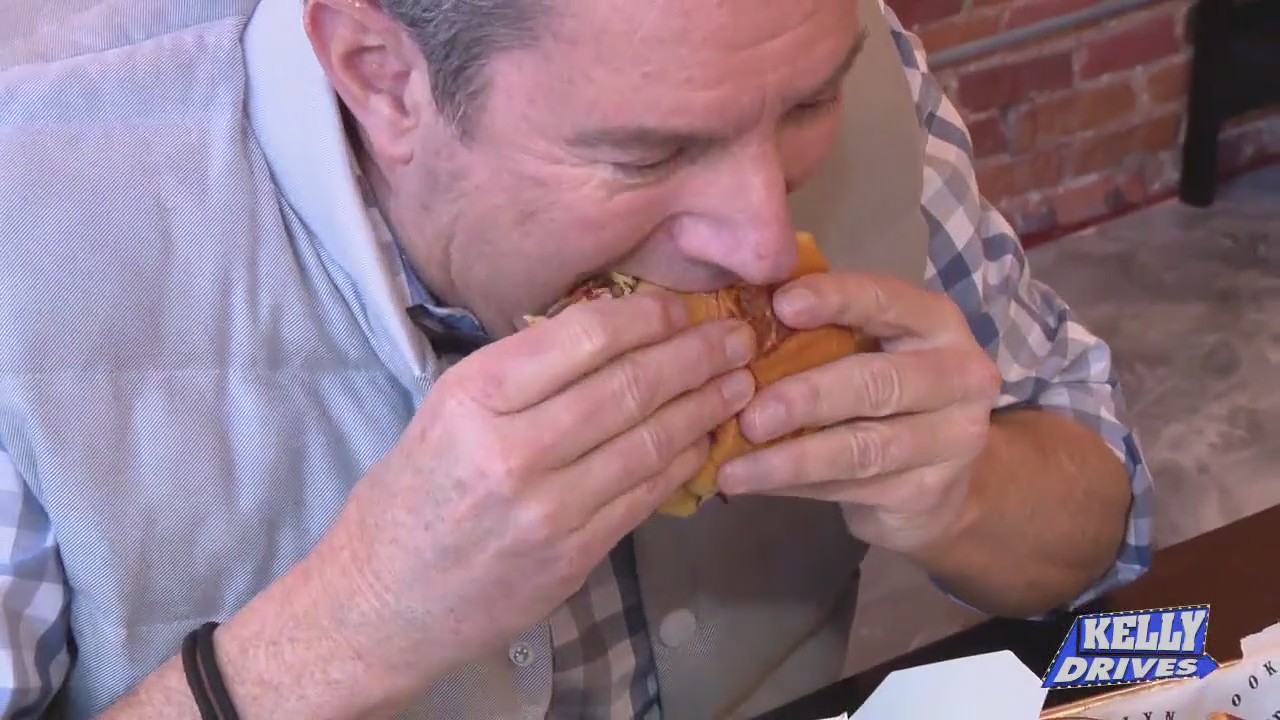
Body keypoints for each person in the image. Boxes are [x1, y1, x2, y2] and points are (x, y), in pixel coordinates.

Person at [0, 0, 1154, 717]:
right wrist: (345, 626)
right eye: (646, 157)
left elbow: (1102, 524)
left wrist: (966, 492)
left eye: (805, 107)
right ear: (382, 76)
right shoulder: (33, 230)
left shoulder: (824, 55)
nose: (763, 239)